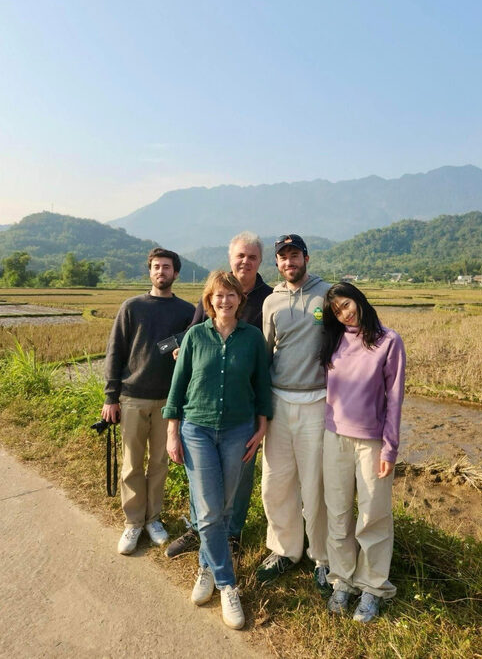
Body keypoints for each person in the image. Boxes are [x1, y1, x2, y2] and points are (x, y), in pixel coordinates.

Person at [163, 271, 271, 630]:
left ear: (240, 299)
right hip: (197, 430)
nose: (224, 301)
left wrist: (262, 426)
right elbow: (178, 387)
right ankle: (228, 585)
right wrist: (172, 432)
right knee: (209, 511)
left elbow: (263, 385)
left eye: (231, 295)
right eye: (217, 296)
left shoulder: (253, 338)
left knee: (223, 508)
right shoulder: (195, 336)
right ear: (209, 300)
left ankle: (206, 567)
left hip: (238, 430)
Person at [320, 282, 406, 622]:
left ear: (359, 298)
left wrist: (390, 448)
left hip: (371, 442)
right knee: (338, 512)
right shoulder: (334, 340)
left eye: (347, 304)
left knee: (374, 515)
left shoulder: (389, 340)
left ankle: (372, 587)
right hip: (335, 437)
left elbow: (395, 400)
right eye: (337, 311)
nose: (345, 313)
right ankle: (342, 580)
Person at [101, 248, 195, 555]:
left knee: (159, 463)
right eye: (156, 267)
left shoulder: (186, 311)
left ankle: (153, 518)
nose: (161, 272)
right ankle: (133, 522)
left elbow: (192, 355)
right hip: (132, 398)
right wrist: (110, 397)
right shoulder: (132, 307)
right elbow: (115, 352)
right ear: (150, 272)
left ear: (175, 273)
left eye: (166, 267)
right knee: (131, 463)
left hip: (168, 400)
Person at [256, 234, 331, 591]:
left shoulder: (327, 295)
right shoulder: (272, 302)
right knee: (275, 482)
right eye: (283, 257)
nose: (290, 262)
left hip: (317, 401)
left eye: (295, 255)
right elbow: (267, 352)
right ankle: (285, 549)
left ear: (307, 258)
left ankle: (323, 557)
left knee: (316, 483)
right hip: (279, 403)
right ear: (277, 263)